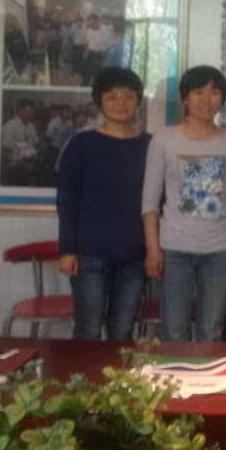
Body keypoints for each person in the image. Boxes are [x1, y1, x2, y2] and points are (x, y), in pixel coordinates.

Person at [141, 65, 226, 341]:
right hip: (174, 248)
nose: (206, 99)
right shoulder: (164, 139)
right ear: (186, 98)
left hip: (220, 249)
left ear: (222, 99)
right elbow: (150, 201)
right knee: (174, 330)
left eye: (214, 92)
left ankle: (208, 373)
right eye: (198, 92)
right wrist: (152, 248)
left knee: (211, 330)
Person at [57, 67, 150, 339]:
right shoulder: (81, 145)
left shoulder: (151, 146)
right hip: (89, 254)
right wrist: (67, 250)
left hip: (135, 256)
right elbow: (67, 201)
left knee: (123, 330)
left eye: (128, 96)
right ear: (100, 101)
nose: (121, 103)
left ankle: (119, 371)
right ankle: (84, 371)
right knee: (88, 329)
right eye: (111, 97)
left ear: (138, 100)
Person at [0, 98, 40, 186]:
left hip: (29, 164)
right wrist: (15, 164)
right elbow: (6, 148)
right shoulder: (10, 126)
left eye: (33, 111)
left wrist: (34, 156)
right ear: (20, 111)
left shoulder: (30, 125)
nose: (32, 113)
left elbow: (35, 143)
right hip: (15, 167)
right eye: (30, 111)